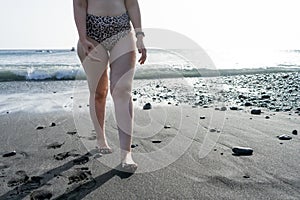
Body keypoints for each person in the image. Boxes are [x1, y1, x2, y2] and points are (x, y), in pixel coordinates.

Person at [73, 0, 146, 172]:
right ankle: (100, 139)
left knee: (122, 91)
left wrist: (140, 36)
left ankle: (126, 153)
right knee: (99, 92)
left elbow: (132, 4)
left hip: (121, 32)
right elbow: (79, 5)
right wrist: (82, 38)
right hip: (91, 34)